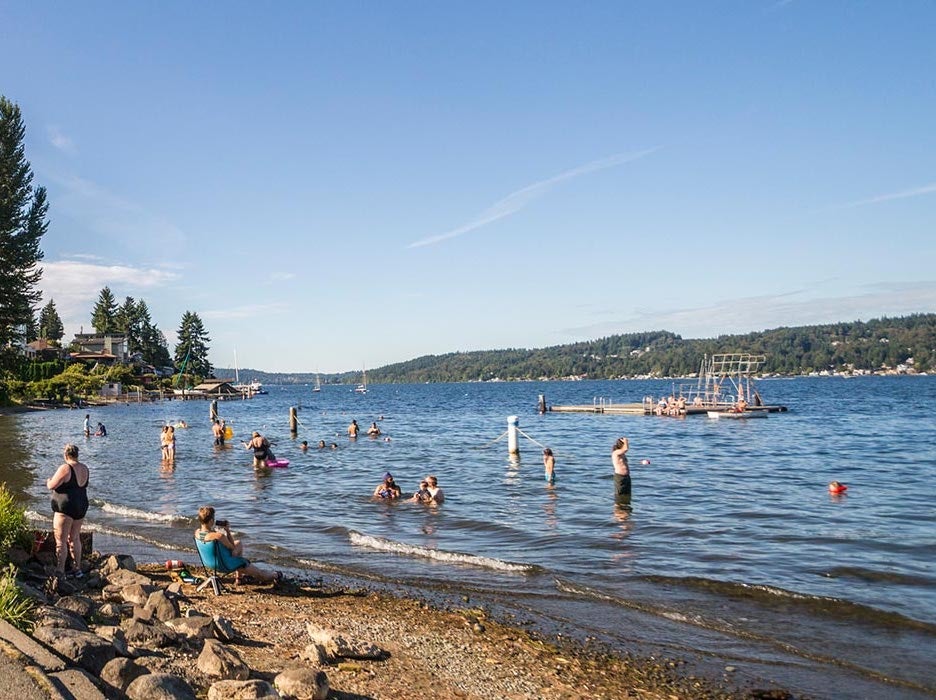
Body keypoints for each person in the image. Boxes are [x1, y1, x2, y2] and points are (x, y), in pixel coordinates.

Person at [195, 506, 281, 585]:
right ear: (211, 521)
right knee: (260, 574)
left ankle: (239, 578)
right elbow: (232, 547)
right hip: (225, 565)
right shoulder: (218, 536)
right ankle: (276, 575)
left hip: (210, 563)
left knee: (239, 543)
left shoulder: (197, 533)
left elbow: (208, 536)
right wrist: (227, 531)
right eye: (213, 518)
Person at [47, 444, 90, 577]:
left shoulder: (65, 468)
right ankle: (77, 569)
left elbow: (52, 485)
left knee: (61, 540)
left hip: (65, 507)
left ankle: (60, 570)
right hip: (81, 505)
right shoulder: (85, 468)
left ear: (65, 455)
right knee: (75, 537)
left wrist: (48, 481)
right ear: (77, 454)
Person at [612, 437, 631, 505]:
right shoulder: (616, 452)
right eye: (625, 444)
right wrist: (626, 441)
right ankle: (618, 508)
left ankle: (626, 508)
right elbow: (626, 449)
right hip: (620, 477)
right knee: (619, 495)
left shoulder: (622, 454)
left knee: (627, 494)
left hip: (626, 477)